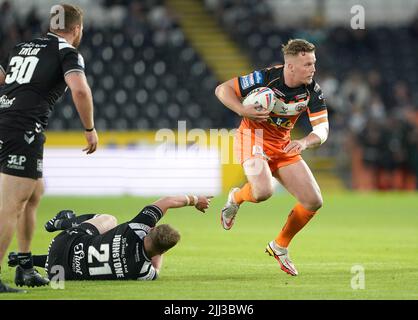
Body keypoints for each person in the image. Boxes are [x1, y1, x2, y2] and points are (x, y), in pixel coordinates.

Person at [0, 4, 98, 292]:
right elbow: (80, 89)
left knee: (33, 194)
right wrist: (89, 129)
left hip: (9, 123)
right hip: (23, 130)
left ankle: (25, 266)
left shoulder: (22, 47)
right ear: (77, 29)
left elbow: (4, 80)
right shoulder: (67, 51)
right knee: (10, 204)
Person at [215, 39, 328, 276]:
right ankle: (237, 196)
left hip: (283, 146)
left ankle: (279, 246)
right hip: (252, 138)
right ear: (290, 66)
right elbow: (222, 89)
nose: (313, 69)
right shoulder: (265, 79)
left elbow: (322, 130)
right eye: (307, 64)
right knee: (264, 191)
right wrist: (242, 109)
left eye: (313, 63)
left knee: (313, 201)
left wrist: (304, 142)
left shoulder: (312, 90)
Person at [8, 195, 212, 281]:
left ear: (150, 230)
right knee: (84, 259)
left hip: (64, 241)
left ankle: (66, 222)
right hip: (60, 274)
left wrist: (195, 200)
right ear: (163, 252)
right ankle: (27, 263)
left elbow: (167, 201)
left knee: (109, 220)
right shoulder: (142, 273)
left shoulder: (136, 227)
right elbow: (156, 268)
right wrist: (158, 251)